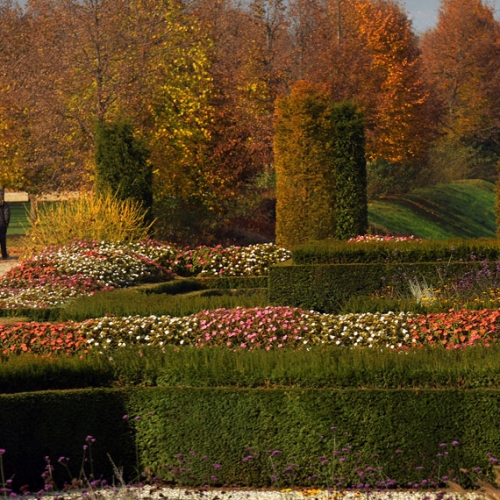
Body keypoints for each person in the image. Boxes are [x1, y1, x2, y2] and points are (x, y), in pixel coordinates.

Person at [0, 191, 10, 259]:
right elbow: (7, 214)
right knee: (3, 240)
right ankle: (4, 254)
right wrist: (6, 223)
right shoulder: (4, 204)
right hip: (2, 224)